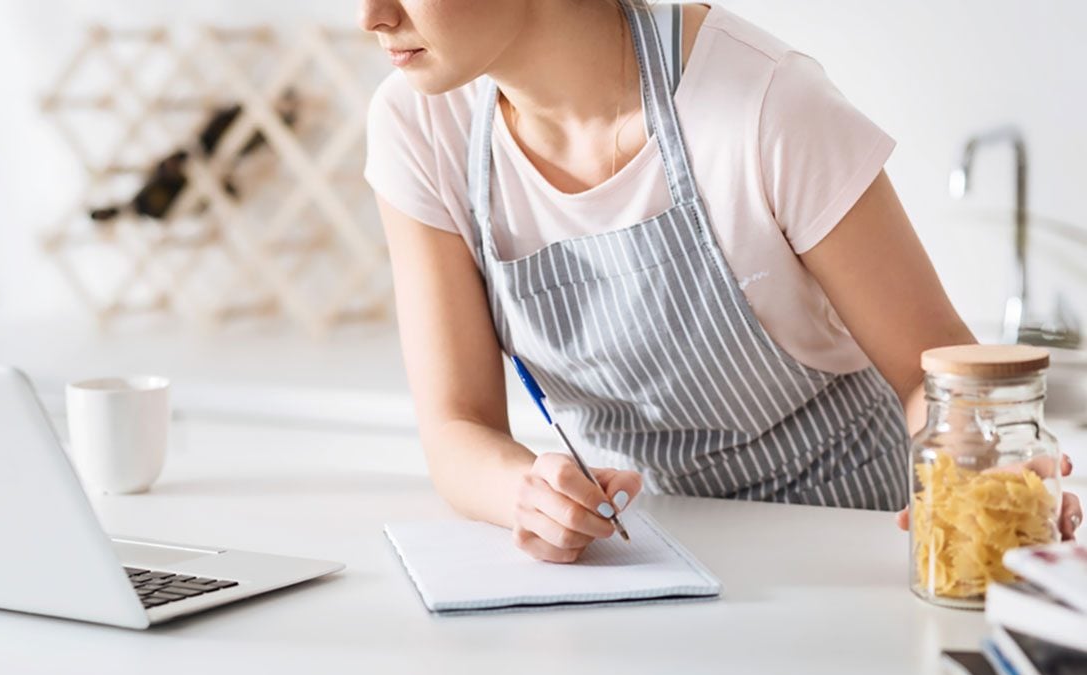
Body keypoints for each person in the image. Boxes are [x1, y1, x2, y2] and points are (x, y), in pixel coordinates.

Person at [359, 0, 1082, 562]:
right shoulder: (418, 125)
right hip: (639, 559)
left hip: (846, 543)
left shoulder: (763, 106)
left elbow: (933, 371)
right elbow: (458, 426)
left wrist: (980, 469)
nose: (371, 18)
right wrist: (527, 494)